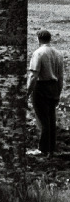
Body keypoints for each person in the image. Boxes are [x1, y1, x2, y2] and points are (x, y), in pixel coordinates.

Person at [27, 29, 64, 158]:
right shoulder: (58, 54)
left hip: (41, 87)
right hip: (54, 87)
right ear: (50, 38)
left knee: (42, 119)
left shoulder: (38, 53)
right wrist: (58, 92)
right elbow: (61, 77)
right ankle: (51, 148)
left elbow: (34, 75)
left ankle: (43, 149)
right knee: (51, 118)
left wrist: (27, 92)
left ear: (38, 39)